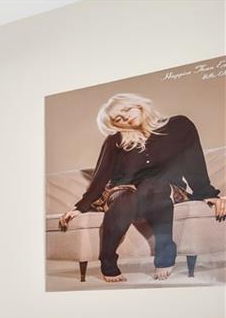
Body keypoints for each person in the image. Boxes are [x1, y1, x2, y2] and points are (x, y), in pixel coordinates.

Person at [59, 93, 225, 281]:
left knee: (152, 185)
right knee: (126, 197)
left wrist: (208, 194)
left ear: (138, 105)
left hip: (163, 190)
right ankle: (107, 259)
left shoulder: (179, 126)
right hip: (124, 193)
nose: (125, 118)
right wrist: (79, 208)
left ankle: (165, 250)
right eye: (118, 119)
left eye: (126, 110)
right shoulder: (116, 140)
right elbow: (101, 177)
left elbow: (193, 162)